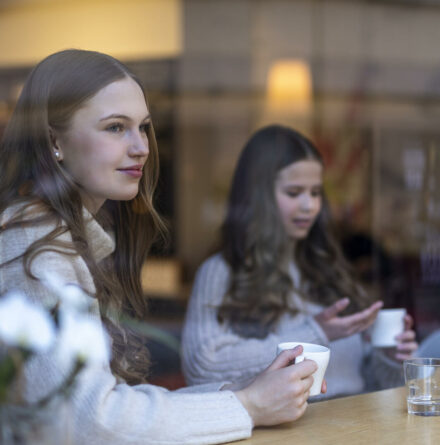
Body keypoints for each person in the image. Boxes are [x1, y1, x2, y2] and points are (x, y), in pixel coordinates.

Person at [0, 49, 323, 445]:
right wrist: (247, 405)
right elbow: (92, 423)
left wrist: (242, 393)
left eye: (144, 127)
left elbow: (104, 407)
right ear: (55, 141)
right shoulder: (33, 243)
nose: (142, 147)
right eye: (116, 127)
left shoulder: (56, 235)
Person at [181, 125, 417, 399]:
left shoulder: (329, 268)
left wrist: (389, 357)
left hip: (357, 429)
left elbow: (374, 385)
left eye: (316, 193)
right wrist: (315, 333)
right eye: (294, 193)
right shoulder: (221, 271)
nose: (310, 206)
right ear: (258, 196)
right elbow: (202, 370)